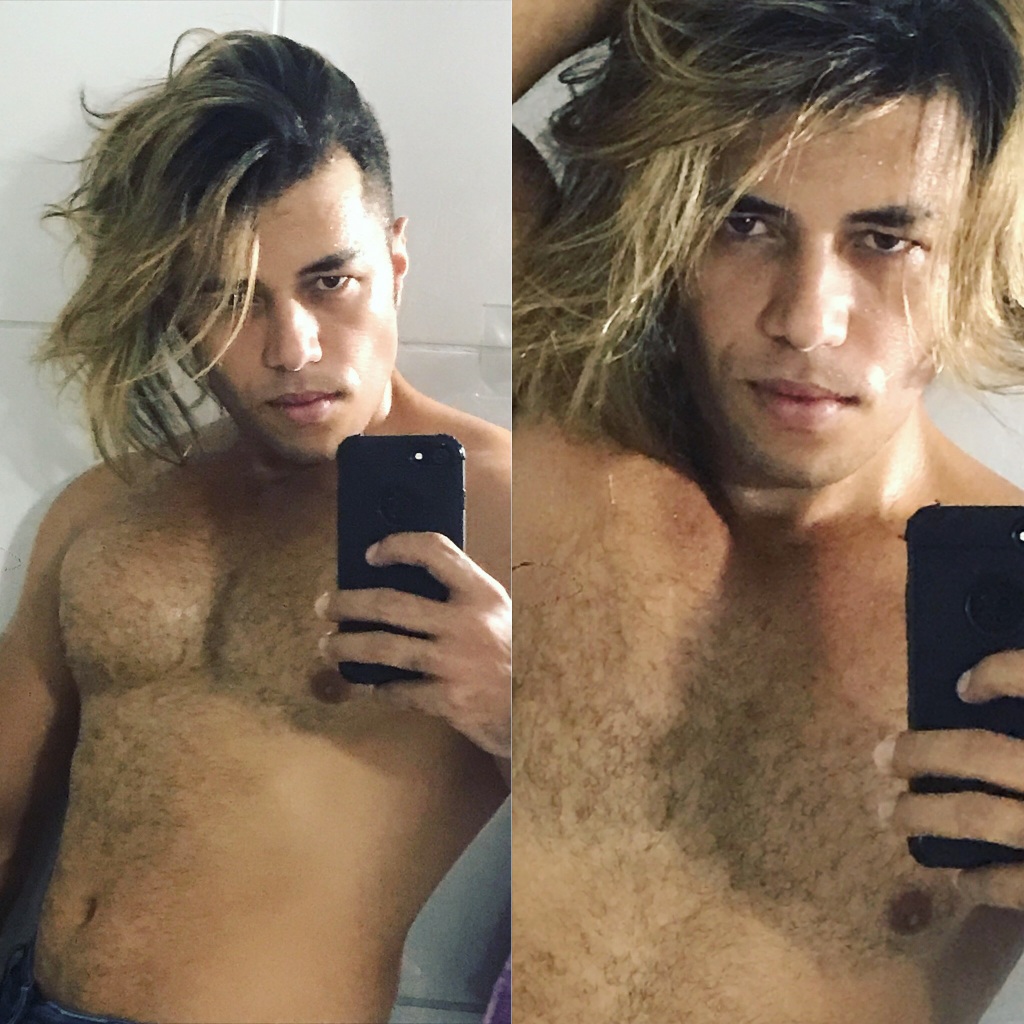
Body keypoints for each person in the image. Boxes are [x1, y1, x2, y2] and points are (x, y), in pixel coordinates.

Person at [512, 0, 1024, 1021]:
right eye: (745, 223)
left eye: (886, 237)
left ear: (980, 253)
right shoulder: (563, 429)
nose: (804, 320)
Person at [0, 29, 510, 1024]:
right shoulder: (105, 507)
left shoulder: (514, 514)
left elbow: (671, 860)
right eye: (229, 298)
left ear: (395, 260)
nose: (292, 347)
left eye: (331, 281)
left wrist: (514, 702)